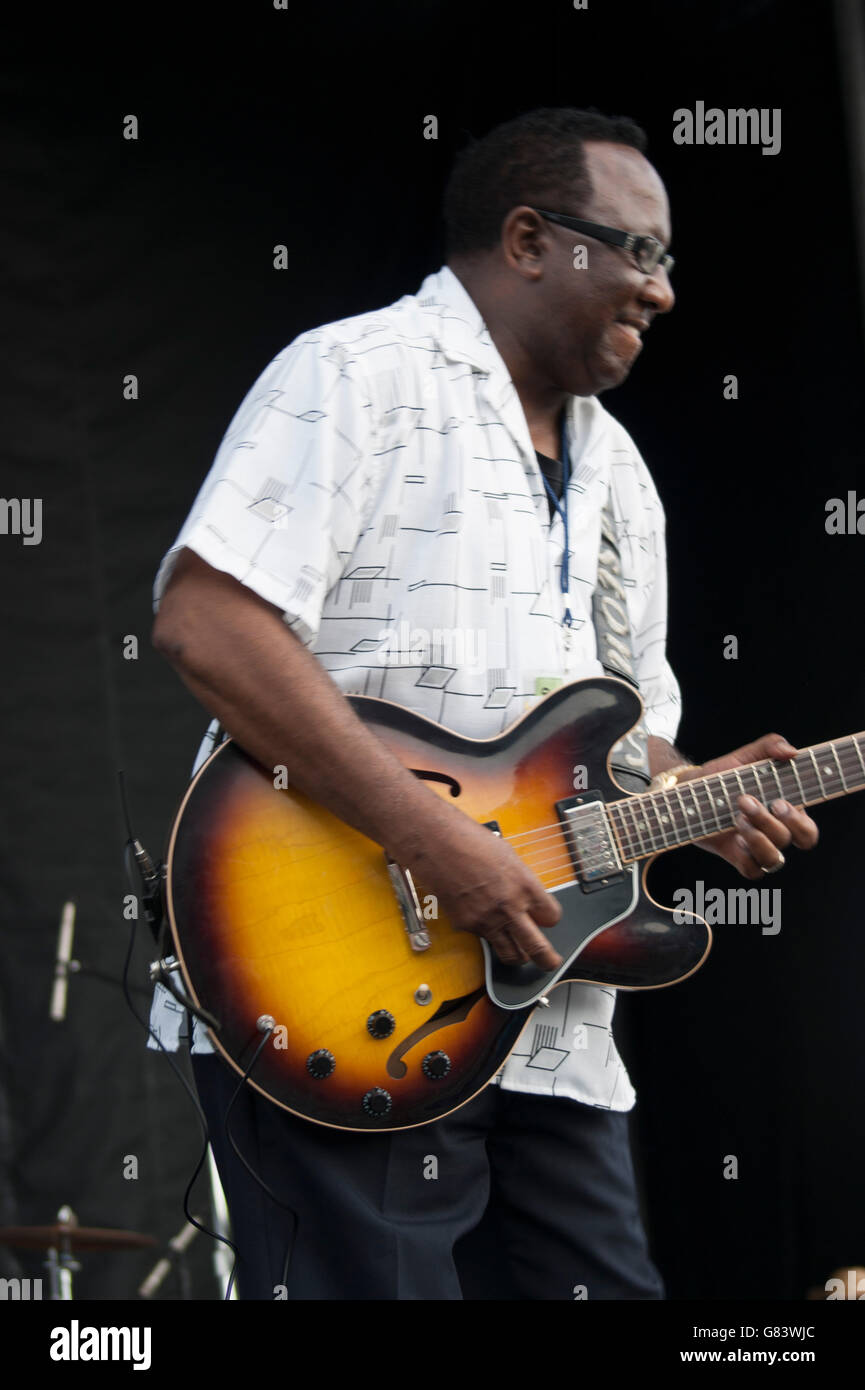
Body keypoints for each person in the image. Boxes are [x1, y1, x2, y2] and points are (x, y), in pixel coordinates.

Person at [150, 107, 819, 1300]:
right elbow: (210, 626)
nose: (662, 292)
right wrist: (431, 837)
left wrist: (684, 793)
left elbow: (619, 732)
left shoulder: (622, 476)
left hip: (553, 1034)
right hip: (338, 995)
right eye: (638, 251)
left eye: (668, 261)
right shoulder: (354, 376)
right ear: (527, 240)